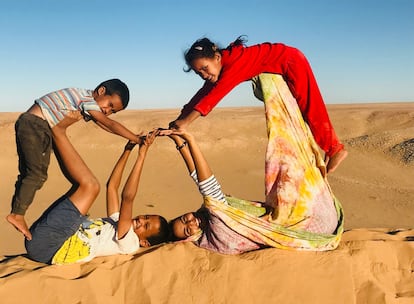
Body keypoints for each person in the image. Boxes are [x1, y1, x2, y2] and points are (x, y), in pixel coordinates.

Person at [165, 73, 344, 254]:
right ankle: (273, 86)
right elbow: (208, 187)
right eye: (188, 229)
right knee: (288, 157)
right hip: (312, 225)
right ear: (189, 238)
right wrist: (190, 140)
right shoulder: (217, 229)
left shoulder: (209, 227)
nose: (191, 221)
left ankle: (276, 88)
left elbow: (197, 178)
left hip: (317, 224)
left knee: (292, 161)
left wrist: (179, 142)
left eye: (184, 218)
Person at [169, 36, 347, 175]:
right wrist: (179, 119)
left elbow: (213, 97)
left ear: (216, 57)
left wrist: (186, 122)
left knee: (310, 106)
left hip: (291, 61)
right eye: (198, 72)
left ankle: (335, 148)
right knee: (300, 113)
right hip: (286, 61)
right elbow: (202, 94)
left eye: (205, 68)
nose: (203, 74)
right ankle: (328, 148)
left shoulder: (234, 64)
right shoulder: (221, 66)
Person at [7, 79, 143, 241]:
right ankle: (17, 214)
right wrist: (136, 138)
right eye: (110, 105)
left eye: (113, 111)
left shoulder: (85, 101)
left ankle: (20, 212)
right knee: (35, 174)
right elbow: (108, 123)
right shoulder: (86, 100)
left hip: (38, 126)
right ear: (101, 91)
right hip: (36, 125)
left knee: (34, 174)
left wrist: (131, 138)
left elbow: (104, 125)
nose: (107, 111)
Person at [25, 114, 170, 265]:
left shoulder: (130, 243)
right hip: (53, 236)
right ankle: (55, 132)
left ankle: (57, 129)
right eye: (145, 216)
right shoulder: (116, 221)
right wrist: (128, 149)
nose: (140, 220)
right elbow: (112, 187)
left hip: (51, 247)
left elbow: (127, 198)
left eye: (146, 226)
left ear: (145, 243)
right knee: (81, 187)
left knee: (89, 186)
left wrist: (142, 155)